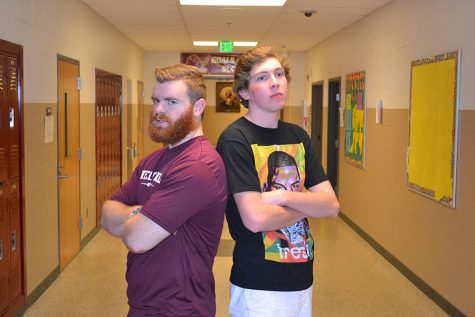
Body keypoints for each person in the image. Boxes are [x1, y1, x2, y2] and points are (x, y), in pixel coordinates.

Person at [216, 46, 340, 317]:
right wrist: (309, 205)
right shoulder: (235, 139)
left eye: (279, 74)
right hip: (259, 283)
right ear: (245, 92)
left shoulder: (298, 136)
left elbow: (331, 205)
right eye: (262, 77)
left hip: (301, 275)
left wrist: (282, 197)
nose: (275, 82)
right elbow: (256, 219)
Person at [101, 64, 228, 317]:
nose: (158, 109)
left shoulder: (198, 165)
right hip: (143, 303)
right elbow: (106, 214)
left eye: (171, 101)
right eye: (156, 100)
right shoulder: (153, 160)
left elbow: (137, 240)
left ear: (199, 107)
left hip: (179, 307)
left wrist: (131, 217)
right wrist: (140, 214)